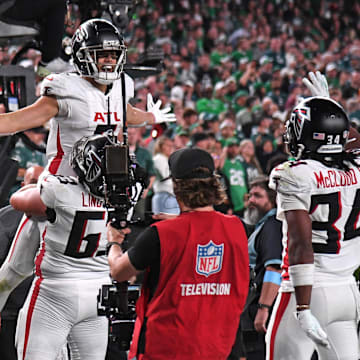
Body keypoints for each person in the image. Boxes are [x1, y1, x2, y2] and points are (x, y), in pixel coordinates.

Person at [0, 18, 176, 316]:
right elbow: (20, 120)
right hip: (61, 191)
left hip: (98, 196)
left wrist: (148, 117)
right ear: (83, 55)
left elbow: (123, 112)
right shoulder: (66, 89)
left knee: (86, 281)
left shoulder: (122, 86)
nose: (109, 61)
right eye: (101, 54)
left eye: (113, 54)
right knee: (15, 274)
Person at [107, 147, 250, 359]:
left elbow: (119, 272)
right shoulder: (239, 227)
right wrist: (180, 223)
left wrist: (114, 243)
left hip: (165, 349)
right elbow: (206, 226)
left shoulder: (159, 235)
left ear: (176, 187)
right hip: (219, 348)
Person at [9, 133, 125, 359]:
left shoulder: (60, 190)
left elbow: (17, 199)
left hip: (56, 291)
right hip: (98, 292)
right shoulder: (124, 198)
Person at [266, 96, 360, 359]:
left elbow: (300, 244)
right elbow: (352, 141)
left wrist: (304, 307)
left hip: (307, 291)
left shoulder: (294, 174)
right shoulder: (357, 166)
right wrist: (333, 108)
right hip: (347, 292)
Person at [0, 165, 44, 360]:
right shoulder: (5, 218)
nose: (36, 188)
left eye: (40, 184)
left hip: (44, 310)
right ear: (23, 185)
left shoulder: (58, 217)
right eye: (33, 183)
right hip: (12, 310)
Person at [240, 175, 283, 360]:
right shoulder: (264, 225)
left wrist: (264, 308)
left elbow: (274, 269)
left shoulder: (272, 226)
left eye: (257, 196)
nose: (251, 201)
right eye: (249, 196)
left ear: (272, 199)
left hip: (261, 311)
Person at [151, 135, 180, 215]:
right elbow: (166, 176)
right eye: (168, 145)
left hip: (171, 196)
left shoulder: (167, 159)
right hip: (165, 195)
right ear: (160, 146)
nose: (171, 148)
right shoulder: (159, 158)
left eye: (172, 146)